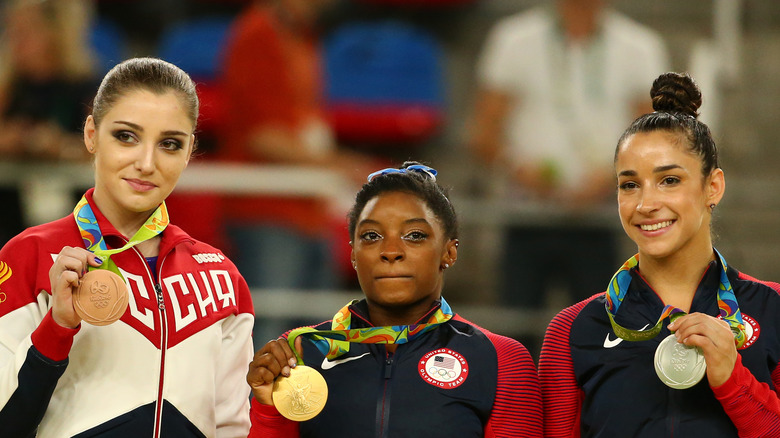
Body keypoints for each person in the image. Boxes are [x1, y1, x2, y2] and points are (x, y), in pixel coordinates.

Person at [0, 58, 254, 437]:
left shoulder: (222, 278)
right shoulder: (29, 256)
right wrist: (58, 326)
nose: (146, 163)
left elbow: (233, 429)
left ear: (189, 152)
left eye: (170, 144)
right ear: (90, 135)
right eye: (126, 136)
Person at [538, 72, 780, 437]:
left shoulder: (773, 308)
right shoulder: (572, 330)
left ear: (712, 187)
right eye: (630, 184)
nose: (646, 204)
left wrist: (733, 379)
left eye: (669, 180)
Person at [245, 162, 543, 437]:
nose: (390, 251)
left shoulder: (501, 360)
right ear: (353, 254)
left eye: (414, 235)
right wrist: (268, 409)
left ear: (449, 252)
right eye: (372, 236)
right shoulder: (299, 352)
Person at [468, 0, 671, 325]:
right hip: (526, 212)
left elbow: (654, 135)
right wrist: (521, 171)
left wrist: (611, 178)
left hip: (601, 214)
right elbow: (483, 131)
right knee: (516, 331)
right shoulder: (514, 38)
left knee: (596, 334)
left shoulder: (639, 46)